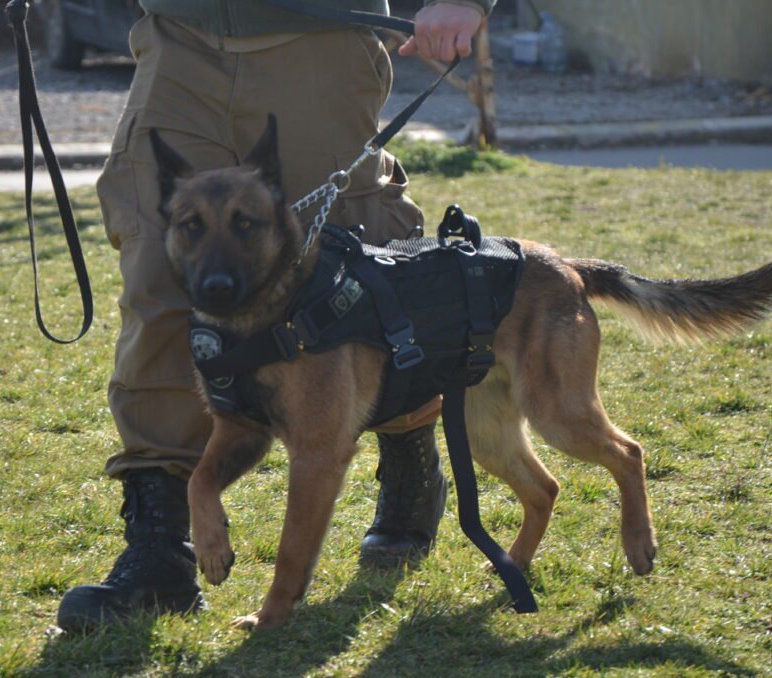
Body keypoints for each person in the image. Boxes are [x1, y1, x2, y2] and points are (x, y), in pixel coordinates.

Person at [57, 0, 495, 632]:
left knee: (353, 269)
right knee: (160, 267)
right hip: (181, 38)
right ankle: (160, 544)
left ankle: (408, 458)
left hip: (318, 31)